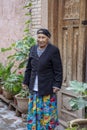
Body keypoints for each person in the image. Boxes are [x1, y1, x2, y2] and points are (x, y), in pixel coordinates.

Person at [22, 28, 63, 130]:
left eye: (43, 37)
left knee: (47, 112)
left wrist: (57, 84)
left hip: (47, 87)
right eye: (39, 37)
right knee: (34, 111)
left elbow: (58, 69)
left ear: (48, 38)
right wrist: (25, 81)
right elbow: (29, 68)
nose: (40, 39)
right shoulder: (33, 49)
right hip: (34, 86)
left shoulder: (53, 50)